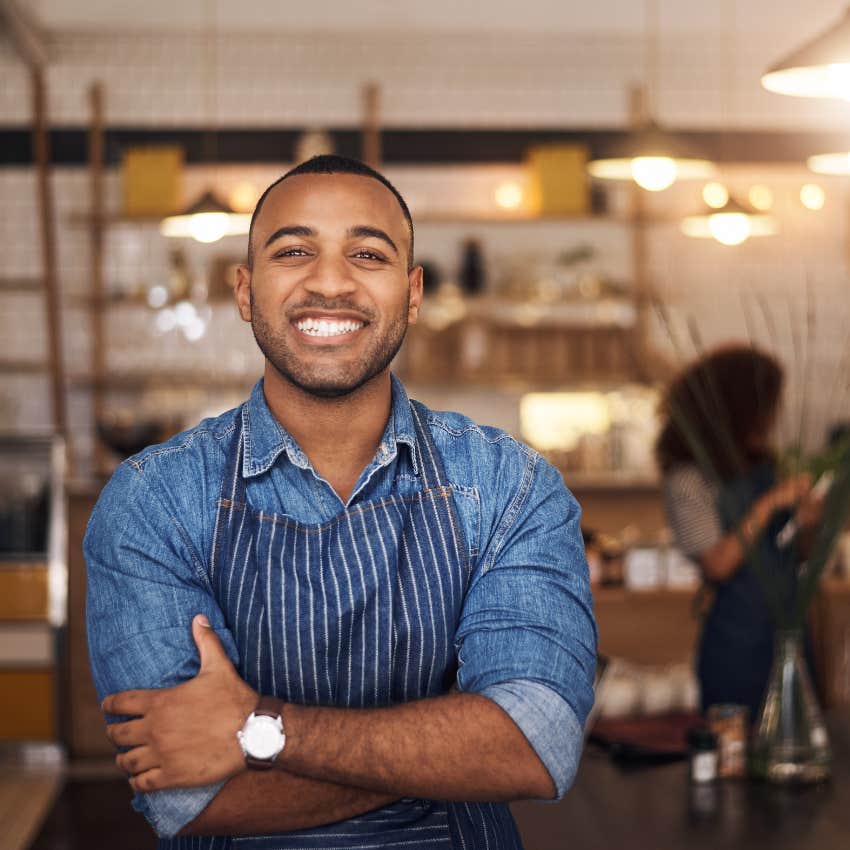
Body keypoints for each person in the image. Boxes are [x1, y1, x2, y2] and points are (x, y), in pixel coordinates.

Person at [85, 154, 597, 849]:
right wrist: (455, 743)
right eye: (294, 251)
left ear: (412, 294)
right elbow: (189, 796)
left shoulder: (510, 487)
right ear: (245, 290)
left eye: (368, 253)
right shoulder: (153, 501)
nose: (330, 281)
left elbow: (536, 745)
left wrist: (260, 729)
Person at [656, 344, 821, 720]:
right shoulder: (689, 479)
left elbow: (797, 554)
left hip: (790, 634)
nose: (772, 418)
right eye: (766, 407)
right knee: (735, 760)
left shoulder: (765, 466)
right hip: (738, 645)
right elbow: (717, 563)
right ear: (742, 408)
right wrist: (768, 506)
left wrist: (810, 523)